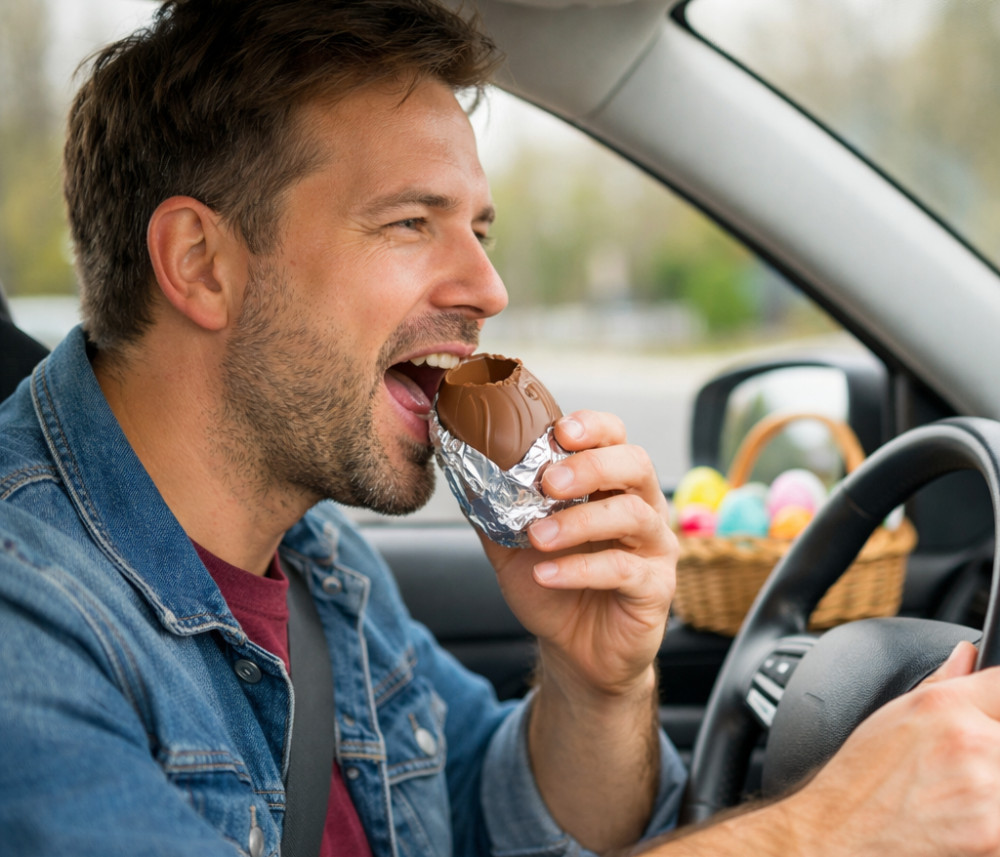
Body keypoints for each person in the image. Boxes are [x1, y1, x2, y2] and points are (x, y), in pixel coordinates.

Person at [2, 2, 1000, 857]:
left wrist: (595, 681)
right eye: (409, 222)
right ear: (201, 262)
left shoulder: (317, 562)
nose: (488, 288)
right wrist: (829, 826)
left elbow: (491, 814)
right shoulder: (27, 627)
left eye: (477, 229)